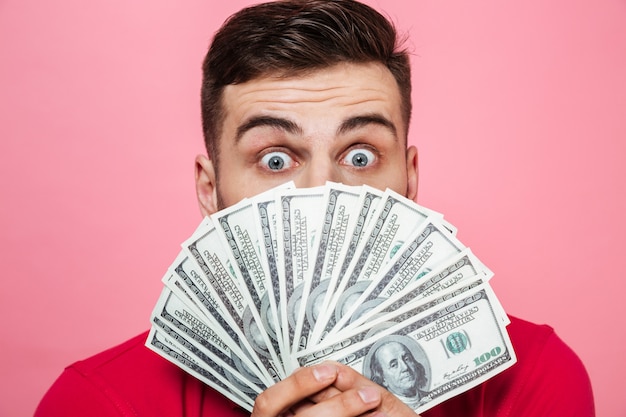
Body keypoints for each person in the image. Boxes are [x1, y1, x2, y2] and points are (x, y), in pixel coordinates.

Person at [35, 1, 595, 416]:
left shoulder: (533, 379)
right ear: (210, 191)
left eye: (360, 154)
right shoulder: (94, 402)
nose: (319, 193)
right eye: (275, 160)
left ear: (409, 179)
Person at [366, 337, 429, 409]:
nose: (405, 367)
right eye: (394, 365)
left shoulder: (430, 396)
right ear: (383, 379)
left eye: (407, 359)